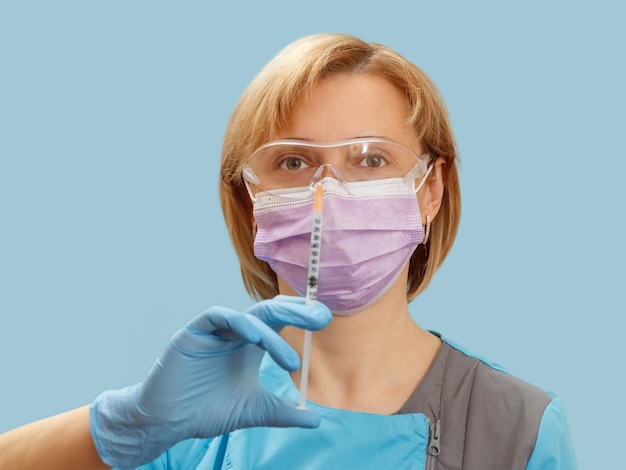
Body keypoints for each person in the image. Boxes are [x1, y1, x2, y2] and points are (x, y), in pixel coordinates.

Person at [0, 33, 577, 469]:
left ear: (429, 189)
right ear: (250, 199)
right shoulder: (197, 412)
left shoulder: (519, 427)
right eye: (293, 162)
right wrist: (126, 425)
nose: (328, 193)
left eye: (371, 159)